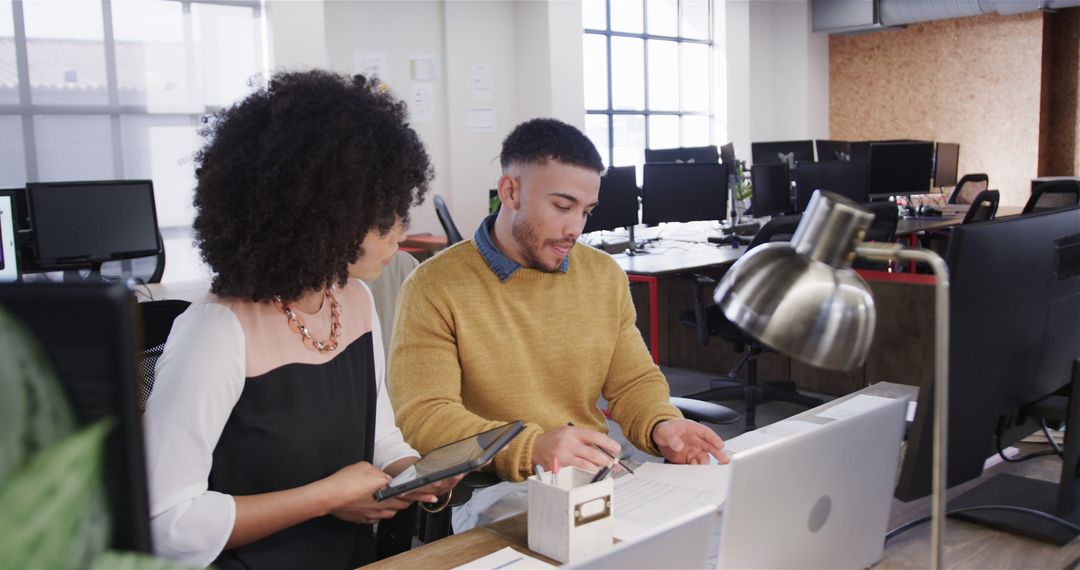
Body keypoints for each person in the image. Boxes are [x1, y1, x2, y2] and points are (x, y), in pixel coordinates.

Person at [142, 70, 459, 570]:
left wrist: (412, 473)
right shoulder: (216, 332)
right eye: (383, 219)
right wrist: (327, 497)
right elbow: (166, 523)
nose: (401, 233)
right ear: (320, 218)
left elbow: (378, 437)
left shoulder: (354, 301)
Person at [388, 118, 727, 531]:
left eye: (586, 212)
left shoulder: (602, 275)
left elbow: (633, 381)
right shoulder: (435, 285)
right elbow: (425, 416)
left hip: (598, 475)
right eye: (562, 207)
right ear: (511, 192)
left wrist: (662, 424)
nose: (575, 228)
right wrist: (528, 446)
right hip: (493, 488)